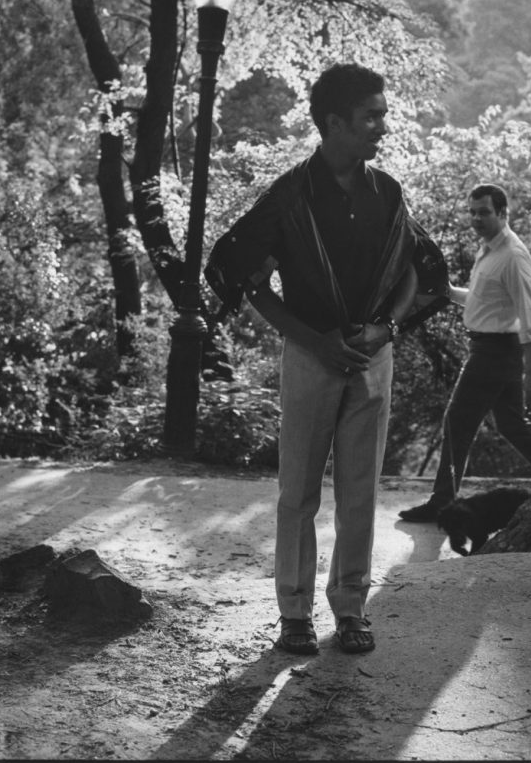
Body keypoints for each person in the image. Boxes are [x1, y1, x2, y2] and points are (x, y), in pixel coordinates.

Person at [205, 63, 448, 656]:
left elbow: (414, 268)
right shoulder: (290, 195)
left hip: (372, 356)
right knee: (299, 492)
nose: (382, 127)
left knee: (361, 491)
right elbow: (247, 276)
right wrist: (312, 339)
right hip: (311, 356)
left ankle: (351, 608)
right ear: (334, 123)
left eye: (382, 114)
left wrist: (386, 327)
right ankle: (293, 613)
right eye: (372, 116)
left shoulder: (387, 191)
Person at [398, 183, 531, 523]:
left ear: (503, 213)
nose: (476, 218)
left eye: (485, 212)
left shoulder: (512, 255)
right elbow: (484, 300)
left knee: (457, 422)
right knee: (513, 424)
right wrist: (448, 292)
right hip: (492, 349)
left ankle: (441, 503)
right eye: (473, 211)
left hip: (493, 352)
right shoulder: (489, 249)